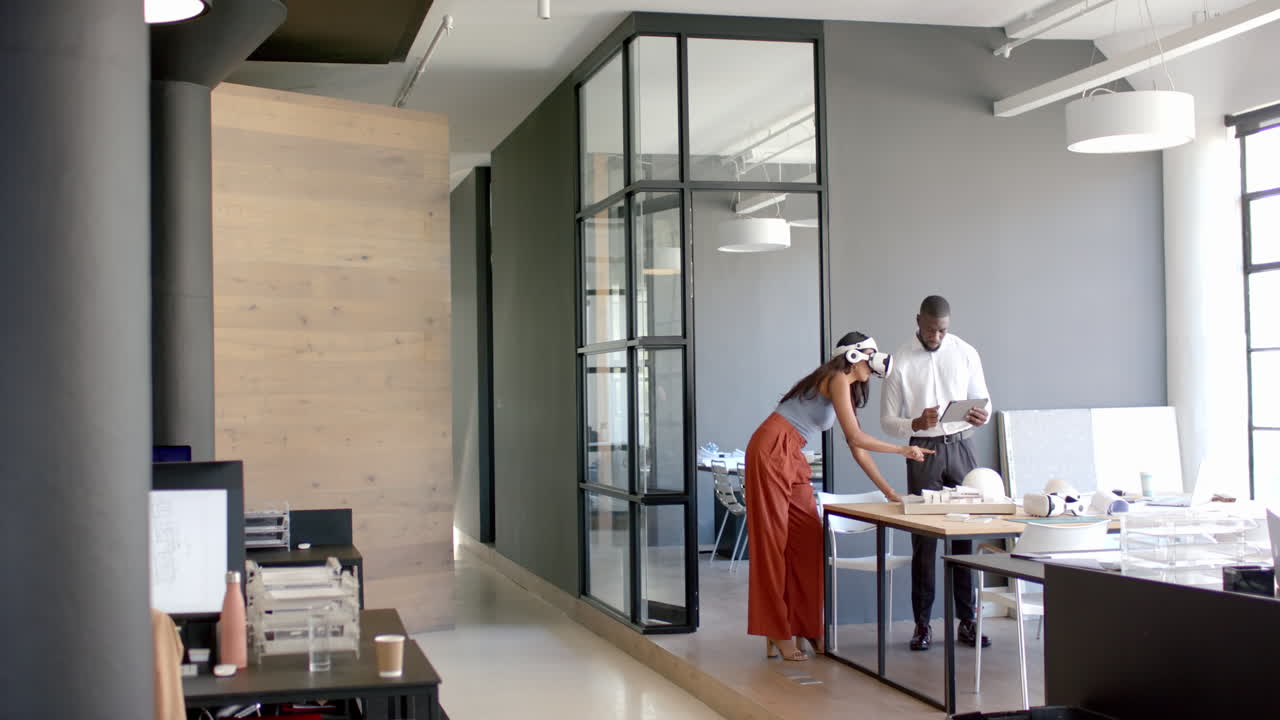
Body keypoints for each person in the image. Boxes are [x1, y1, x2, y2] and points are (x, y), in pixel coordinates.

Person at [745, 331, 932, 662]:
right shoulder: (836, 378)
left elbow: (856, 448)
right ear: (854, 356)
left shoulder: (843, 385)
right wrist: (903, 448)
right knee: (772, 542)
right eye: (871, 355)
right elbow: (857, 437)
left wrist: (889, 492)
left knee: (808, 540)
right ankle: (777, 631)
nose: (876, 364)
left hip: (792, 453)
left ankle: (806, 625)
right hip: (771, 447)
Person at [880, 295, 992, 652]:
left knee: (965, 537)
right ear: (918, 320)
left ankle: (968, 622)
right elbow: (886, 420)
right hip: (922, 451)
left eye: (942, 329)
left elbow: (985, 401)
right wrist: (915, 422)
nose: (937, 336)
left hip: (962, 447)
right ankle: (922, 626)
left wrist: (981, 414)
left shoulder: (966, 352)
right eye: (931, 329)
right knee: (924, 542)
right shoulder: (899, 361)